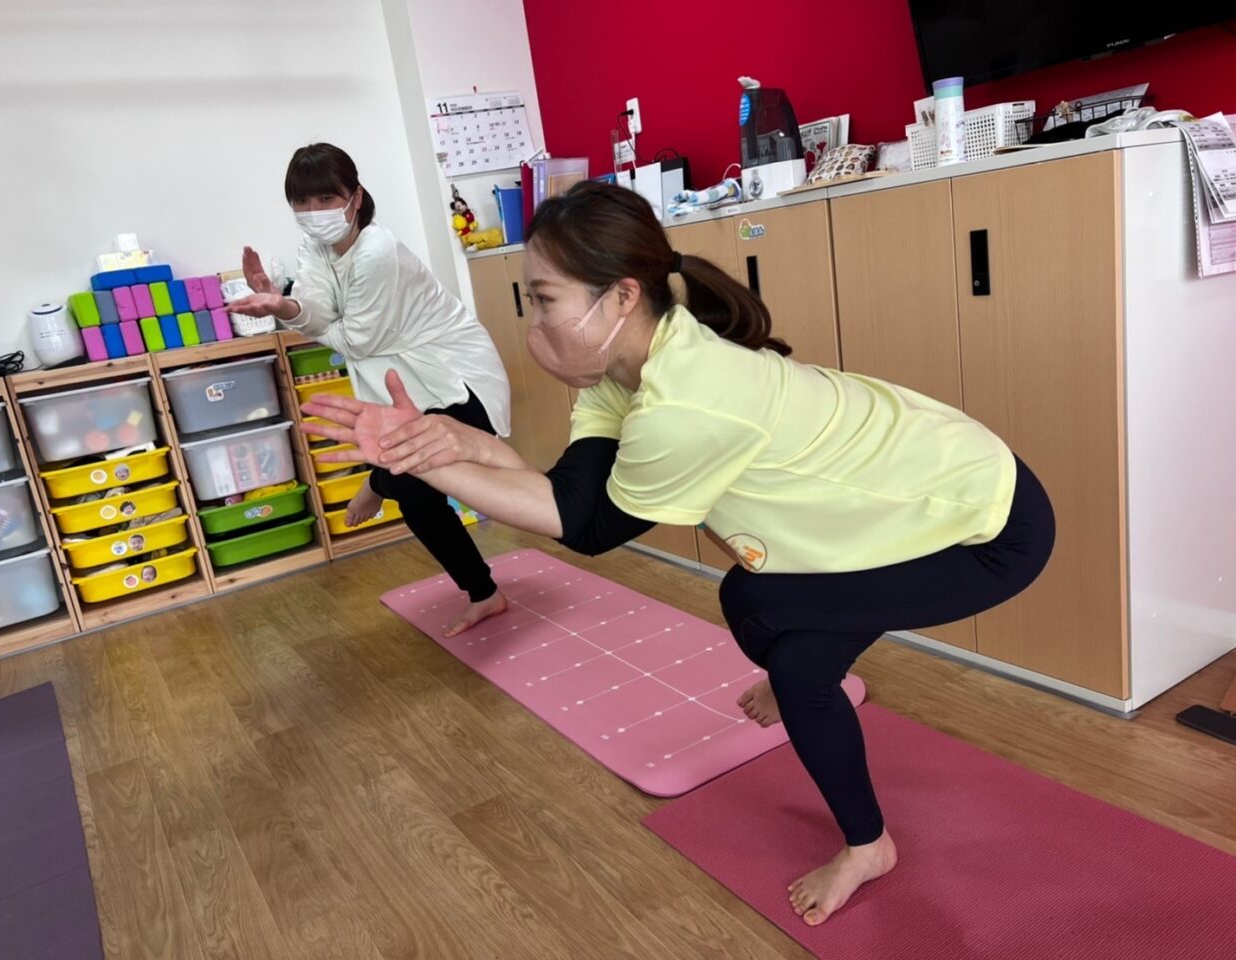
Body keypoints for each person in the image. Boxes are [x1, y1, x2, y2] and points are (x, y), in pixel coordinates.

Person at [300, 182, 1055, 924]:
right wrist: (454, 445)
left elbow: (584, 529)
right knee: (775, 628)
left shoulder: (686, 401)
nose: (533, 321)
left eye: (544, 299)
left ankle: (867, 844)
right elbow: (569, 494)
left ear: (621, 297)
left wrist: (432, 464)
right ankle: (828, 717)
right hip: (925, 499)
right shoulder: (632, 364)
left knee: (771, 628)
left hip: (984, 528)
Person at [229, 143, 512, 637]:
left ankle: (377, 484)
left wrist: (301, 314)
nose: (314, 212)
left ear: (355, 197)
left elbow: (355, 339)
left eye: (326, 199)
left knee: (412, 479)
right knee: (418, 497)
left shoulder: (377, 250)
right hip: (403, 384)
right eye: (302, 202)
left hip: (452, 375)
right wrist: (284, 305)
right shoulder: (314, 248)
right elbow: (320, 313)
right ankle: (484, 593)